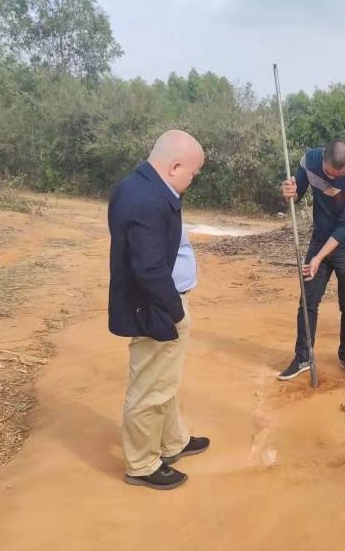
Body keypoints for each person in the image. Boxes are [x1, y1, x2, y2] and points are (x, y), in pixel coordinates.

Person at [108, 129, 210, 490]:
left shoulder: (143, 187)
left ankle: (172, 442)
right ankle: (142, 462)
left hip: (164, 301)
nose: (192, 180)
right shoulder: (146, 200)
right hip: (156, 308)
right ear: (175, 166)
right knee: (149, 387)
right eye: (192, 174)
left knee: (164, 380)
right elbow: (148, 269)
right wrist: (176, 312)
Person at [277, 139, 345, 381]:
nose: (332, 177)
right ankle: (303, 357)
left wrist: (319, 257)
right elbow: (297, 194)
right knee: (308, 300)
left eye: (338, 174)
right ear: (323, 158)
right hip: (320, 238)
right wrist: (290, 193)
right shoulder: (310, 161)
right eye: (329, 172)